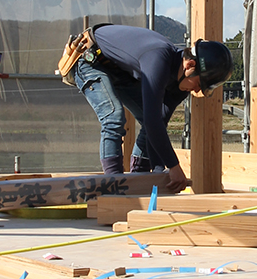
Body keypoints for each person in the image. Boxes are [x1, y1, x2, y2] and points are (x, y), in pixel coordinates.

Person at [71, 25, 233, 193]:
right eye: (200, 84)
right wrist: (174, 167)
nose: (197, 91)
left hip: (120, 71)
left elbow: (158, 125)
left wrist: (158, 174)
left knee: (149, 122)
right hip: (89, 59)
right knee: (114, 117)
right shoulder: (158, 58)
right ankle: (114, 187)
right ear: (190, 65)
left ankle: (137, 181)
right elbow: (152, 122)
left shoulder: (180, 85)